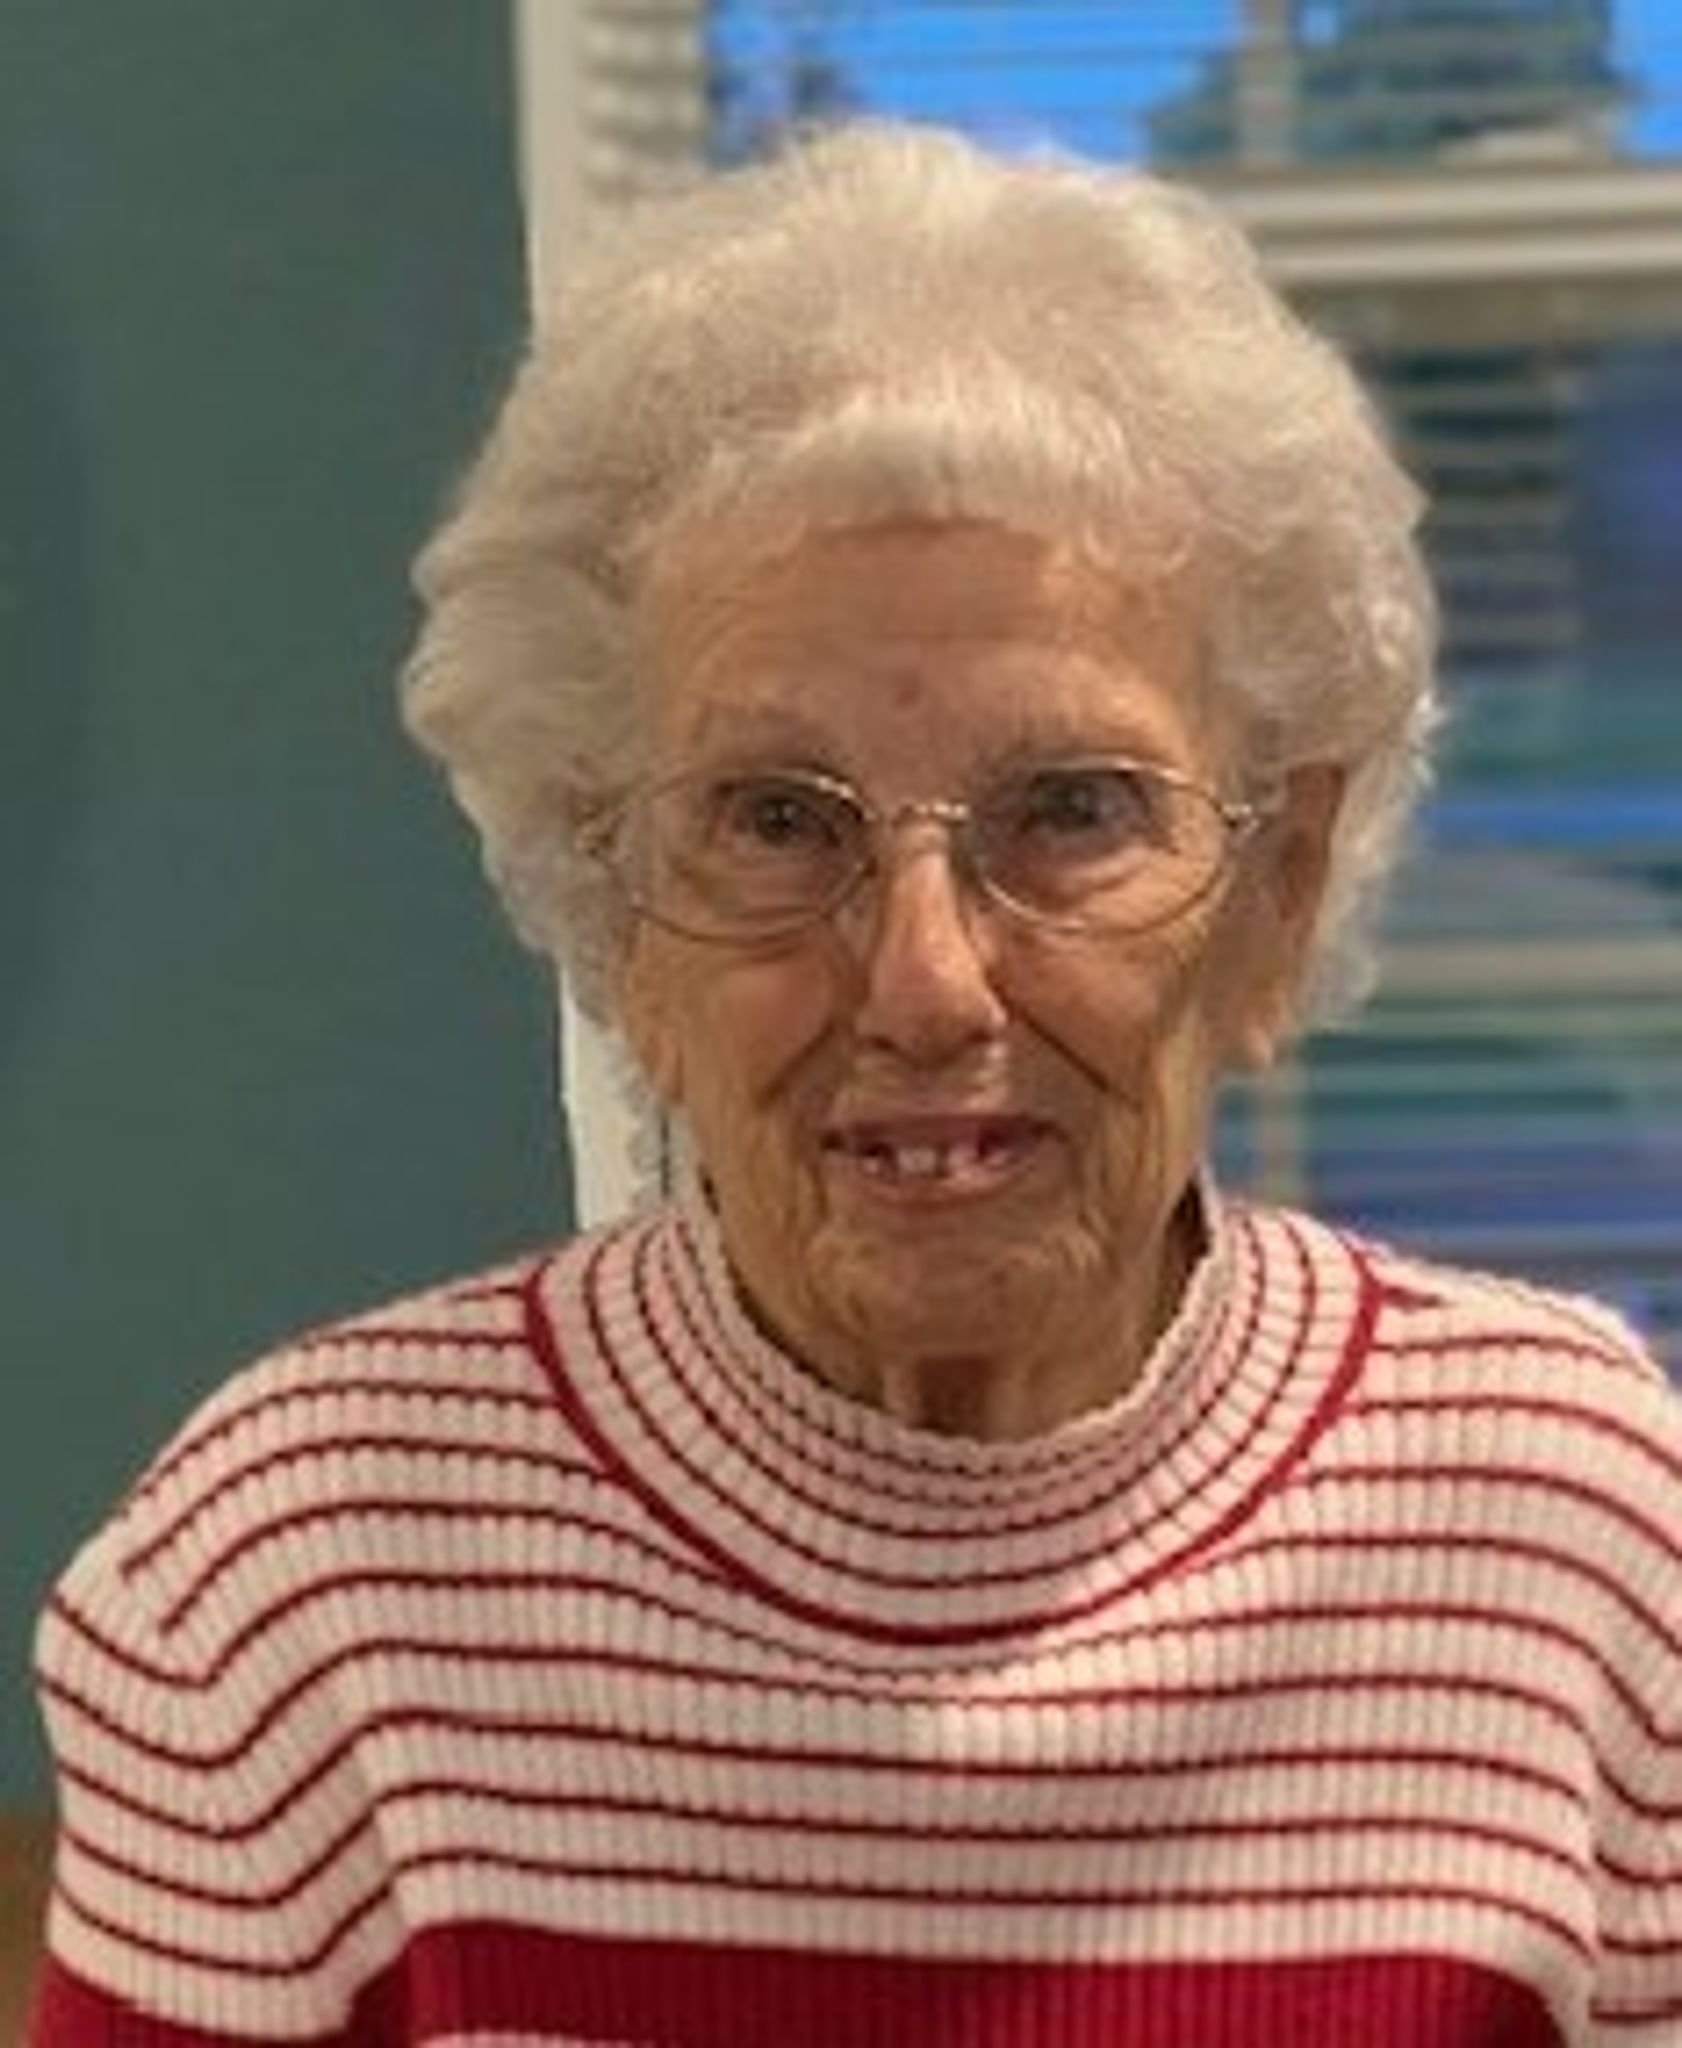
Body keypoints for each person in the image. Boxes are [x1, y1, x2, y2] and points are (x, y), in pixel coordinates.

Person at [27, 121, 1682, 2048]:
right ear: (609, 905)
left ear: (1277, 886)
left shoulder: (1580, 1523)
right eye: (772, 819)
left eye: (1070, 809)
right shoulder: (297, 1573)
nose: (923, 982)